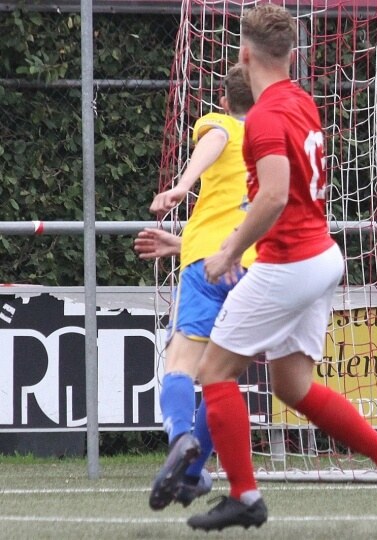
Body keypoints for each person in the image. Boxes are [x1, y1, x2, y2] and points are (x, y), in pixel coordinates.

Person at [182, 4, 377, 531]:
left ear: (244, 54)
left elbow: (271, 198)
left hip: (289, 263)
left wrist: (225, 252)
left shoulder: (266, 116)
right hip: (321, 257)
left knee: (214, 373)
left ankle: (245, 497)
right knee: (291, 385)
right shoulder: (298, 100)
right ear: (290, 54)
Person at [134, 64, 256, 511]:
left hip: (207, 263)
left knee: (180, 364)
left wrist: (182, 186)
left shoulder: (220, 124)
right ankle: (191, 474)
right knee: (220, 376)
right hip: (252, 268)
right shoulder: (273, 143)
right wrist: (178, 244)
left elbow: (216, 140)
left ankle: (181, 436)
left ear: (225, 101)